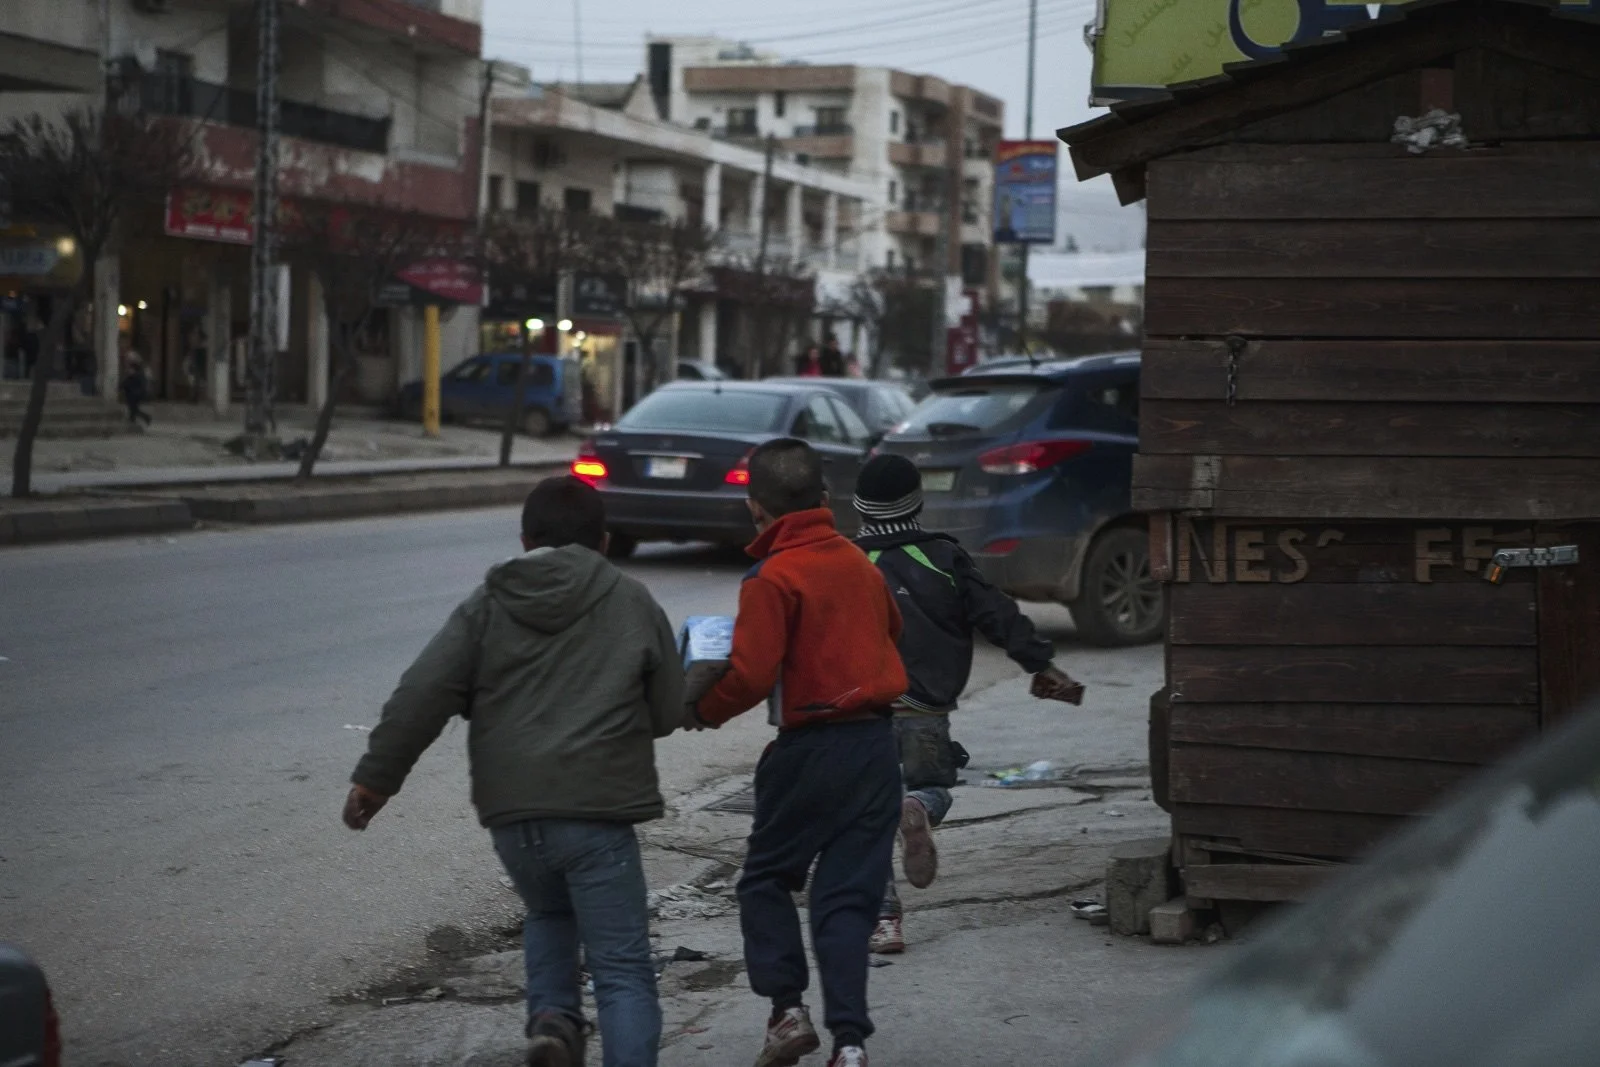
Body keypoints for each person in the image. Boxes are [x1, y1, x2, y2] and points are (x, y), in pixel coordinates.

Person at [343, 476, 686, 1067]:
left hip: (515, 818)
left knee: (549, 911)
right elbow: (665, 712)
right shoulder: (631, 599)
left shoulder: (489, 602)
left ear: (525, 539)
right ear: (604, 542)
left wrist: (377, 779)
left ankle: (553, 1021)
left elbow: (423, 691)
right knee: (623, 971)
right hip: (598, 816)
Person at [691, 439, 907, 1067]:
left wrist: (702, 710)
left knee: (764, 880)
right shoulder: (861, 566)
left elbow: (753, 676)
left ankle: (786, 1011)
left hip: (807, 751)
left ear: (755, 508)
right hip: (873, 749)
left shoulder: (772, 577)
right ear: (823, 499)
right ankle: (851, 1045)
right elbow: (894, 631)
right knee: (845, 900)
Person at [850, 453, 1085, 955]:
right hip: (925, 709)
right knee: (932, 785)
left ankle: (886, 922)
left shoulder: (846, 560)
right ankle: (919, 808)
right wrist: (1038, 663)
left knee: (864, 817)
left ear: (859, 505)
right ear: (917, 502)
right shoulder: (943, 556)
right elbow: (997, 614)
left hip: (860, 712)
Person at [121, 355, 152, 427]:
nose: (128, 370)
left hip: (135, 395)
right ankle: (133, 420)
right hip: (133, 394)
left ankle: (145, 417)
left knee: (133, 409)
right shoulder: (136, 374)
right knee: (133, 409)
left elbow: (127, 383)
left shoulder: (136, 375)